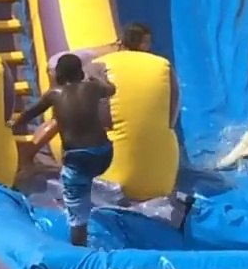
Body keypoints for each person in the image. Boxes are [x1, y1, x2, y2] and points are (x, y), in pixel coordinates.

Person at [10, 54, 116, 246]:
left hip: (78, 159)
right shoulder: (92, 87)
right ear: (81, 72)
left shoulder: (54, 93)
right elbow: (112, 89)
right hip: (104, 154)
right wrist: (98, 79)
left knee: (77, 213)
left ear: (58, 74)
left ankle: (80, 251)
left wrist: (12, 125)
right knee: (87, 175)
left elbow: (30, 114)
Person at [18, 22, 153, 165]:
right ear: (135, 42)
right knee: (61, 118)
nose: (149, 46)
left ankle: (27, 153)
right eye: (146, 42)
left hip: (64, 62)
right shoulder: (123, 55)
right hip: (63, 65)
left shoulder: (120, 48)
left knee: (61, 118)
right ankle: (26, 155)